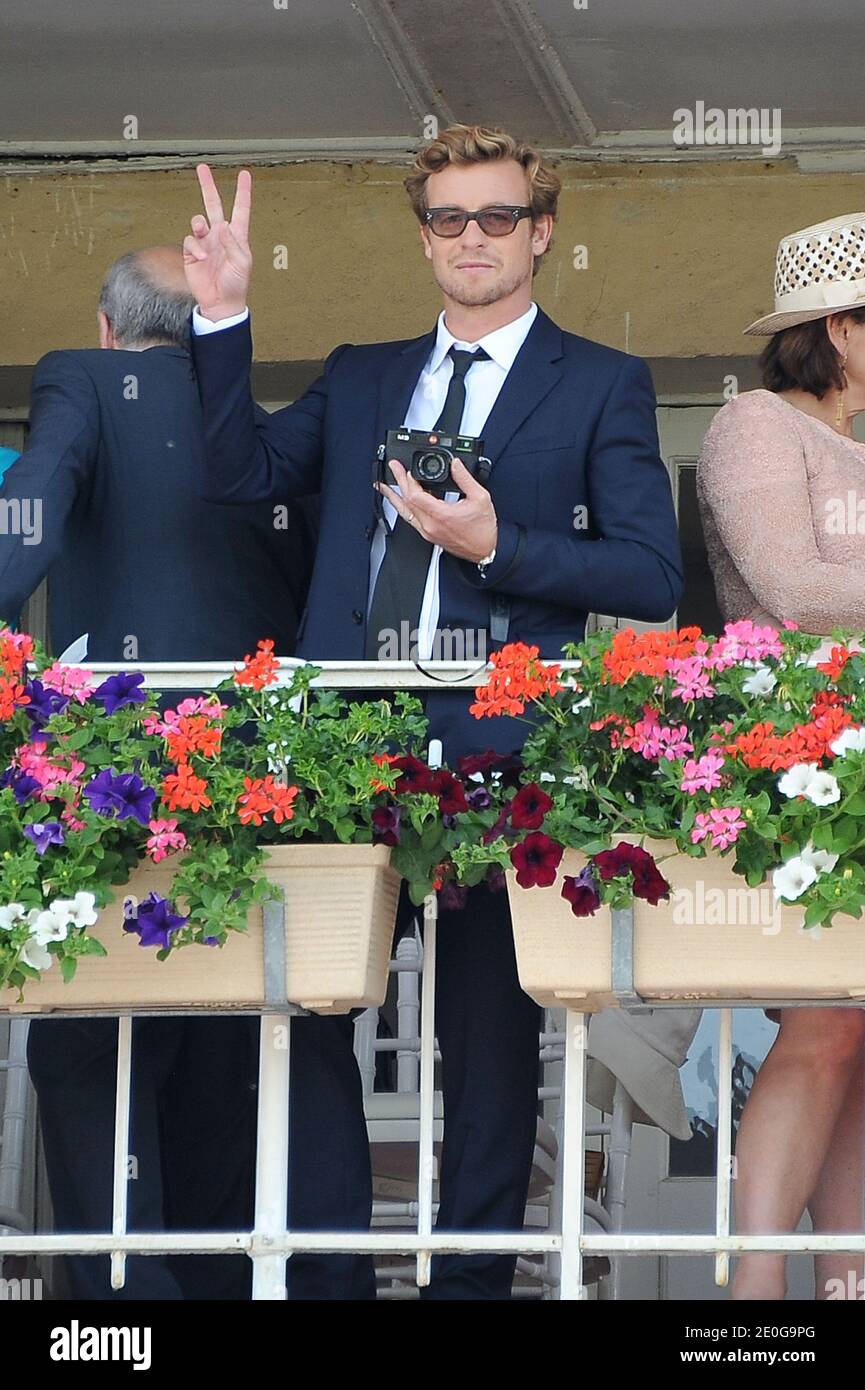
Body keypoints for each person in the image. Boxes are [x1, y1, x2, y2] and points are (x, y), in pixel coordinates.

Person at [184, 123, 683, 1300]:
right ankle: (327, 1285)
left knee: (489, 1047)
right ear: (424, 236)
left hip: (499, 751)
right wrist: (222, 317)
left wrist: (499, 544)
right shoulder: (363, 371)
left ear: (541, 231)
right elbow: (238, 476)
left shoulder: (601, 382)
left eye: (498, 217)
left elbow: (650, 574)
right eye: (450, 218)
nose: (473, 238)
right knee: (313, 1018)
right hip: (342, 748)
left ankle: (467, 1290)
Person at [0, 246, 316, 1299]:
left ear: (105, 327)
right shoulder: (263, 430)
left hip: (118, 778)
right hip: (261, 784)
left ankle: (120, 1311)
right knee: (215, 1058)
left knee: (92, 1043)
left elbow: (31, 508)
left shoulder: (82, 378)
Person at [697, 212, 865, 1301]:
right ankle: (753, 1300)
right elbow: (799, 594)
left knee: (851, 1040)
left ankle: (842, 1288)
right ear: (843, 329)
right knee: (819, 1027)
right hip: (805, 755)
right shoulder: (755, 423)